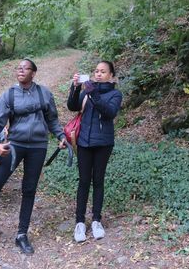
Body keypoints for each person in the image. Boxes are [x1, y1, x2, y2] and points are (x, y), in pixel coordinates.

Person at [0, 59, 67, 254]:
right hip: (13, 145)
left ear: (34, 73)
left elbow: (52, 119)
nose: (21, 70)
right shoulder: (9, 95)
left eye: (26, 68)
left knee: (29, 189)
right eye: (19, 68)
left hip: (38, 147)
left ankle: (22, 234)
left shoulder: (44, 93)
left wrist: (61, 136)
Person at [68, 61, 122, 243]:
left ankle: (96, 220)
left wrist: (94, 94)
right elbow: (72, 106)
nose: (98, 74)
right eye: (96, 71)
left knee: (98, 181)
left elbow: (109, 113)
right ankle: (80, 222)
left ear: (111, 76)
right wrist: (75, 88)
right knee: (83, 181)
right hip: (84, 142)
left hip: (103, 143)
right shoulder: (87, 90)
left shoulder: (115, 94)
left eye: (103, 71)